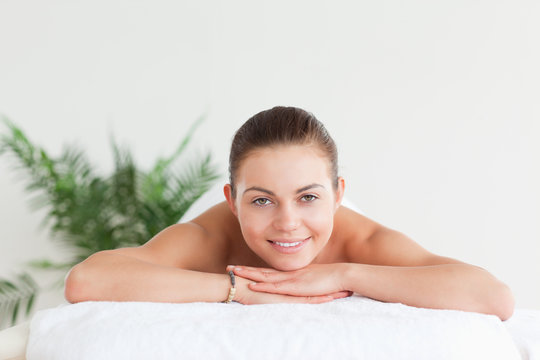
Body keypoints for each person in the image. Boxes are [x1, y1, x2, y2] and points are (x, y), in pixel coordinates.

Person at [64, 106, 514, 320]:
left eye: (308, 197)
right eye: (261, 200)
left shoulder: (362, 242)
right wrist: (238, 289)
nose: (287, 222)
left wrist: (343, 275)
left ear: (338, 194)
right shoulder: (212, 237)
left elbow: (493, 297)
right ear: (231, 200)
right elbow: (86, 280)